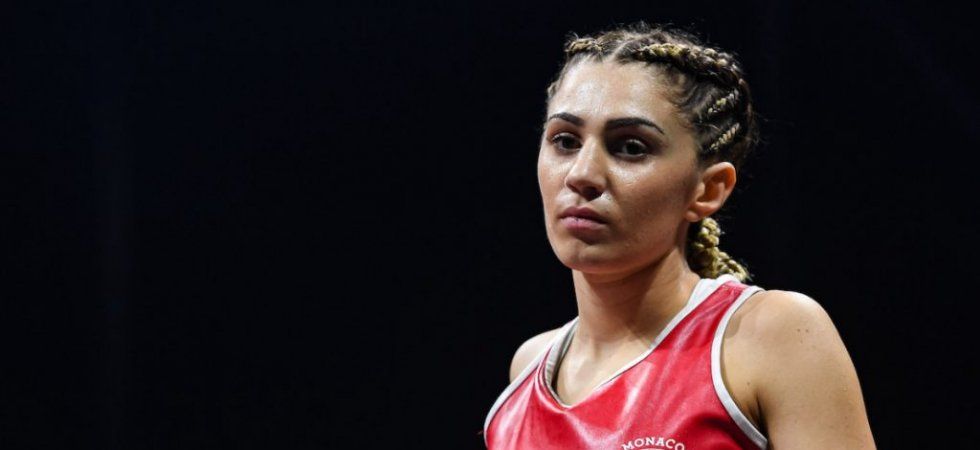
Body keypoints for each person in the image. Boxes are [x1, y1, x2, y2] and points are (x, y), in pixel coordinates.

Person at [482, 22, 876, 449]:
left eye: (630, 147)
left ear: (708, 190)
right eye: (564, 141)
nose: (582, 174)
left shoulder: (770, 336)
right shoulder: (528, 370)